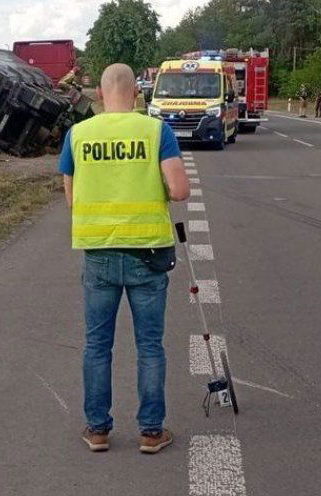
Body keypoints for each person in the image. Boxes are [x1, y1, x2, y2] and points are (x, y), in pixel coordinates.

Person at [59, 63, 189, 455]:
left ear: (99, 94)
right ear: (137, 94)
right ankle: (151, 431)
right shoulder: (155, 131)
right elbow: (179, 190)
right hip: (147, 255)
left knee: (97, 345)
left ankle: (97, 430)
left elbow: (71, 197)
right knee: (150, 346)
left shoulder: (78, 135)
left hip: (98, 254)